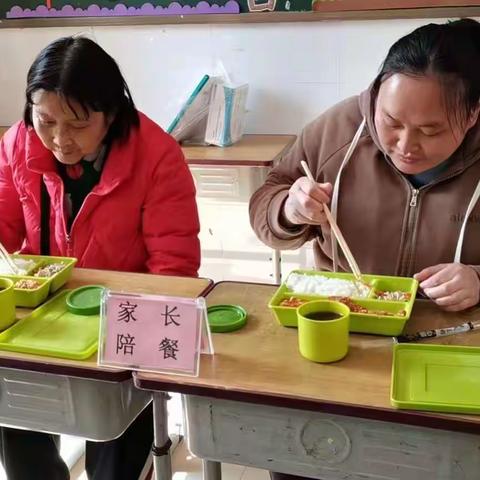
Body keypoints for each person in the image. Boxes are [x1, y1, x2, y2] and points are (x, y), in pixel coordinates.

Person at [0, 36, 200, 479]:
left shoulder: (157, 156)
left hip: (121, 329)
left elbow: (175, 269)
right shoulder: (18, 143)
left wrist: (145, 362)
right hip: (39, 327)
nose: (59, 140)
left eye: (78, 124)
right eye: (45, 120)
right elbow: (5, 226)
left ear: (110, 114)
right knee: (18, 434)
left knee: (115, 455)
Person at [250, 18, 480, 316]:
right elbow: (266, 202)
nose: (405, 145)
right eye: (391, 122)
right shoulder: (337, 130)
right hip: (341, 317)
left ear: (473, 114)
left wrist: (477, 280)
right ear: (377, 94)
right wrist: (289, 209)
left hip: (451, 330)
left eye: (430, 131)